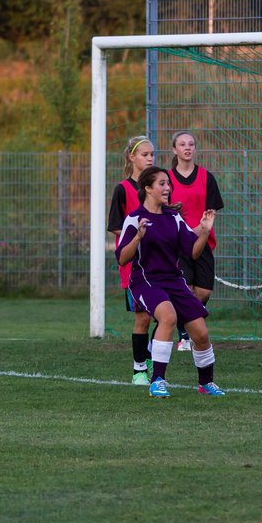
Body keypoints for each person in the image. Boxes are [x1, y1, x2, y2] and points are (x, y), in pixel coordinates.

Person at [115, 166, 222, 398]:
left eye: (168, 184)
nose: (168, 188)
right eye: (162, 184)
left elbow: (192, 252)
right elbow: (122, 258)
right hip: (145, 280)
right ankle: (157, 380)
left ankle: (206, 383)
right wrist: (138, 237)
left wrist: (204, 231)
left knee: (201, 333)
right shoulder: (134, 219)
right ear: (147, 188)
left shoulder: (173, 217)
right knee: (168, 316)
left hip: (174, 280)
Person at [169, 131, 226, 351]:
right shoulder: (167, 179)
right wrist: (184, 231)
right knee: (185, 287)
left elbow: (211, 211)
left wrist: (200, 229)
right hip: (177, 243)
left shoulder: (206, 177)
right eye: (182, 144)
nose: (187, 147)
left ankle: (187, 323)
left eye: (191, 144)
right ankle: (185, 334)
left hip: (202, 240)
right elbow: (165, 211)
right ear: (174, 149)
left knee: (203, 292)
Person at [107, 135, 156, 386]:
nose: (149, 158)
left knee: (169, 313)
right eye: (144, 154)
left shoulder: (158, 184)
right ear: (132, 157)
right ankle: (139, 370)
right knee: (143, 317)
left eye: (152, 155)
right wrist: (137, 236)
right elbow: (115, 226)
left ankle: (149, 354)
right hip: (133, 261)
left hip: (159, 260)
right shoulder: (123, 189)